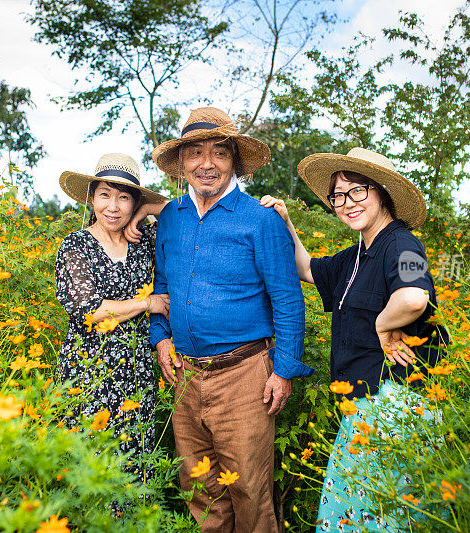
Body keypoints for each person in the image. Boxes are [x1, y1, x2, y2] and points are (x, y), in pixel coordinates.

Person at [260, 147, 448, 531]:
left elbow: (413, 296)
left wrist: (382, 325)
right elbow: (307, 269)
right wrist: (286, 222)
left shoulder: (404, 244)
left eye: (357, 191)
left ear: (381, 191)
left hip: (394, 409)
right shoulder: (356, 255)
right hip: (361, 408)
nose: (346, 203)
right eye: (338, 196)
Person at [145, 107, 313, 532]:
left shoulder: (260, 220)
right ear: (180, 164)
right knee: (202, 493)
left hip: (244, 377)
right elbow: (161, 285)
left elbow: (288, 300)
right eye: (195, 153)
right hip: (185, 375)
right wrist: (161, 339)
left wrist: (285, 370)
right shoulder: (171, 217)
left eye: (219, 153)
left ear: (235, 162)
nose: (207, 163)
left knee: (250, 494)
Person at [55, 153, 169, 482]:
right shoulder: (75, 245)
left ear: (134, 204)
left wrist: (148, 209)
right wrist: (148, 304)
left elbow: (187, 211)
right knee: (91, 464)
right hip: (87, 370)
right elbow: (90, 310)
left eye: (124, 197)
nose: (113, 207)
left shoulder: (144, 239)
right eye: (105, 194)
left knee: (135, 463)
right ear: (92, 198)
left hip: (135, 370)